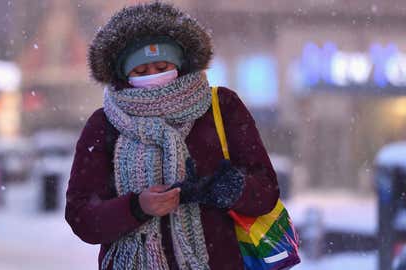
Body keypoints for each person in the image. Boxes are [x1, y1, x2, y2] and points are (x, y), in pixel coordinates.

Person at [65, 2, 279, 270]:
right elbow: (81, 216)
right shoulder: (105, 123)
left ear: (179, 63)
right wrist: (136, 207)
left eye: (162, 66)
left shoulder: (221, 107)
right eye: (141, 72)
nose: (154, 77)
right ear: (124, 74)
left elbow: (266, 191)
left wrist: (226, 187)